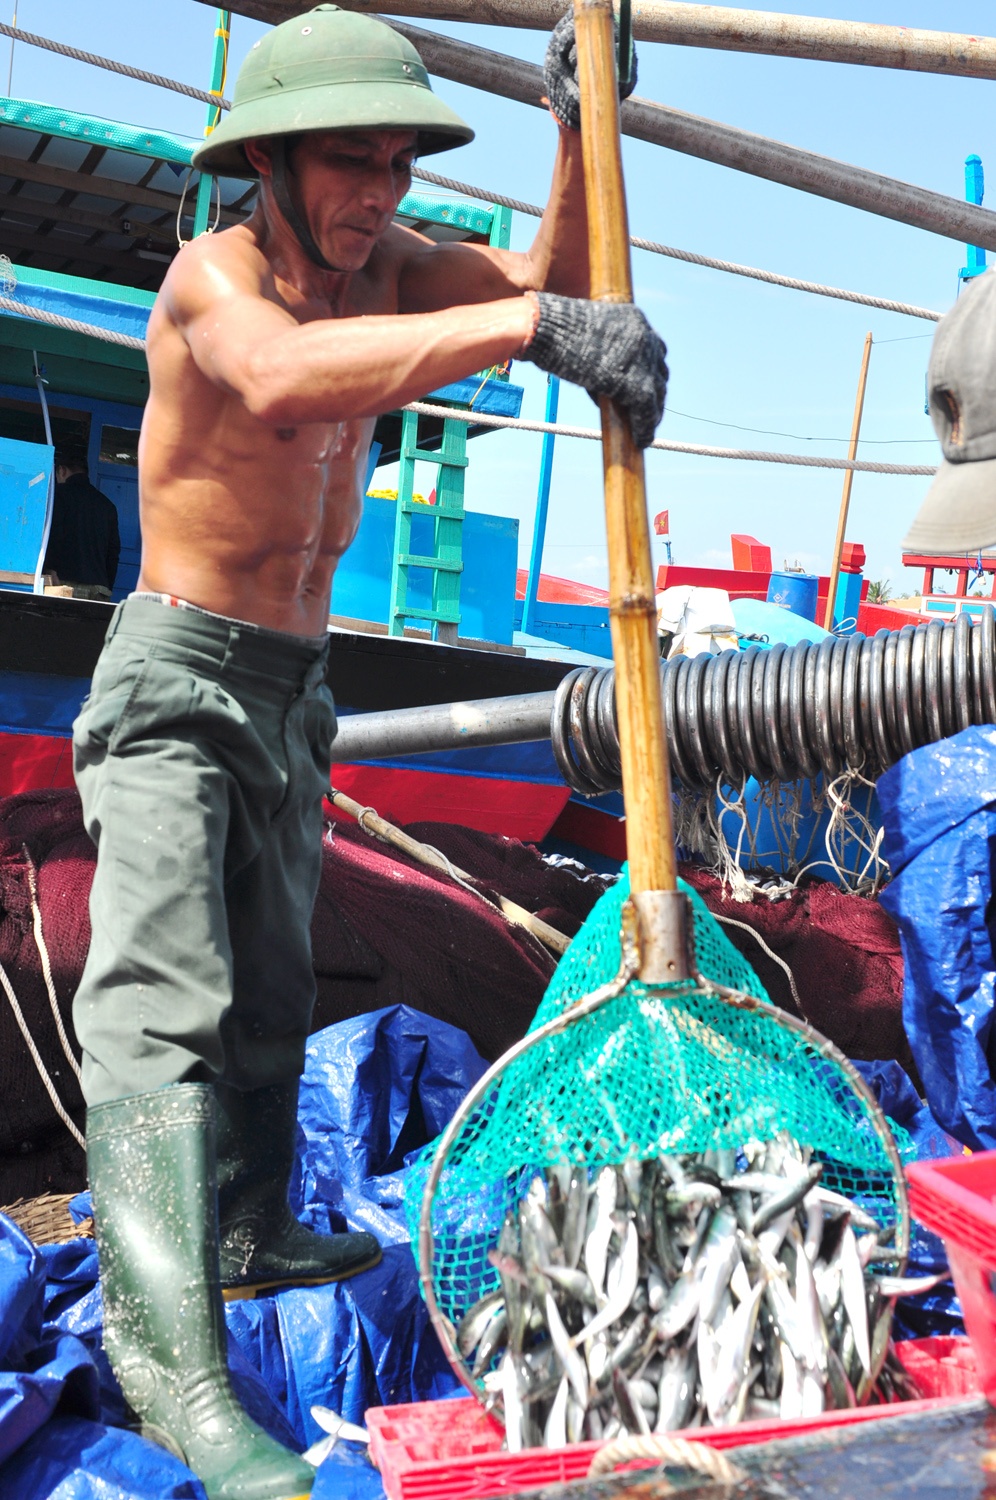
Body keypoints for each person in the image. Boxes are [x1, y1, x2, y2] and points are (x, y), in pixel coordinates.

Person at [72, 7, 668, 1497]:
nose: (381, 194)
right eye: (352, 162)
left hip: (295, 681)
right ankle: (172, 1372)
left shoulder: (395, 274)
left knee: (276, 968)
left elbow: (557, 283)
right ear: (270, 163)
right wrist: (532, 331)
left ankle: (256, 1222)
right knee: (164, 999)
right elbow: (282, 378)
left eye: (401, 164)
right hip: (176, 677)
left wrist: (574, 130)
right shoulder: (216, 281)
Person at [42, 441, 120, 599]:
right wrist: (105, 585)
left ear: (61, 470)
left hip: (63, 584)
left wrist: (49, 567)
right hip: (100, 589)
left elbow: (55, 535)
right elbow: (113, 553)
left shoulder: (59, 496)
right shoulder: (107, 506)